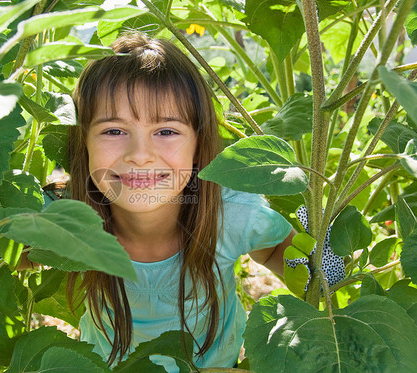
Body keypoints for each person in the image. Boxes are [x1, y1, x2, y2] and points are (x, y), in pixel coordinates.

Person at [66, 31, 294, 370]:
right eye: (113, 131)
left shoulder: (228, 214)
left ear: (199, 145)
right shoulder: (68, 220)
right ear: (82, 141)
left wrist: (323, 270)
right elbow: (4, 250)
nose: (140, 155)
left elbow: (279, 249)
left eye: (166, 131)